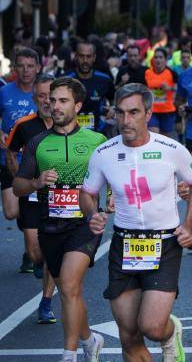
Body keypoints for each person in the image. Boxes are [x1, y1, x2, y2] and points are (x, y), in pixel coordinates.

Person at [80, 83, 192, 362]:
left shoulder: (171, 149)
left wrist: (189, 225)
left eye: (133, 112)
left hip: (164, 244)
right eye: (121, 113)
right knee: (129, 335)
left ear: (148, 113)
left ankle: (171, 332)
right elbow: (87, 193)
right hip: (124, 244)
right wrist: (93, 215)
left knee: (152, 327)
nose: (126, 120)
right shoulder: (104, 153)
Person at [12, 77, 106, 362]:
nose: (54, 106)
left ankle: (69, 353)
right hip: (49, 225)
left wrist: (112, 197)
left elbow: (116, 174)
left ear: (77, 105)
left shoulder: (97, 141)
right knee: (71, 290)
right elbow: (18, 186)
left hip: (84, 224)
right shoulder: (37, 143)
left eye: (62, 101)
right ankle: (90, 338)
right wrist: (37, 182)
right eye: (52, 100)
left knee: (66, 284)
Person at [6, 73, 57, 323]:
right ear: (34, 98)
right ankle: (37, 260)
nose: (47, 101)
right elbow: (11, 153)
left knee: (52, 253)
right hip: (32, 194)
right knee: (36, 252)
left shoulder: (67, 126)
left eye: (51, 96)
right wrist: (22, 182)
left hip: (60, 199)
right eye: (42, 96)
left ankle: (46, 303)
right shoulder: (25, 125)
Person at [0, 48, 40, 228]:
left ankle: (32, 247)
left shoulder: (44, 93)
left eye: (30, 66)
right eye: (22, 66)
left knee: (34, 209)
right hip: (9, 159)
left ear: (38, 68)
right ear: (15, 67)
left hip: (37, 161)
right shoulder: (4, 92)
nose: (26, 70)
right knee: (11, 212)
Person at [67, 41, 115, 133]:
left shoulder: (104, 79)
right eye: (81, 56)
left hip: (98, 133)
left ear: (94, 58)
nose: (85, 61)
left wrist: (113, 108)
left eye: (88, 56)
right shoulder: (65, 80)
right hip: (70, 133)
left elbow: (114, 99)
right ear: (76, 57)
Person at [145, 47, 180, 136]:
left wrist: (170, 88)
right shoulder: (147, 72)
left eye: (161, 57)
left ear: (165, 59)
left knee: (165, 138)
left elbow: (179, 90)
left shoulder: (172, 73)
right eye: (156, 57)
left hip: (167, 110)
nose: (158, 60)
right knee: (154, 134)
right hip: (152, 111)